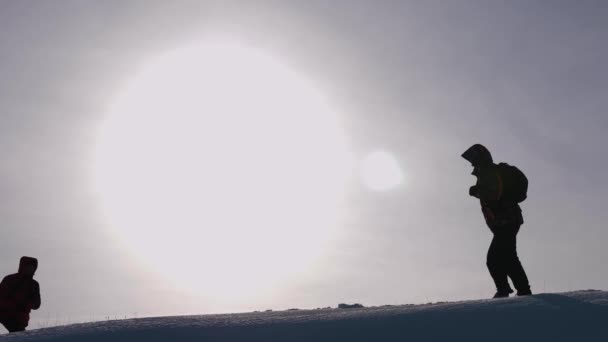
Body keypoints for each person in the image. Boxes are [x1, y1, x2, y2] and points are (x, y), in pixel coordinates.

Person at [462, 144, 532, 298]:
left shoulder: (488, 172)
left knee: (493, 259)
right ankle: (523, 291)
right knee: (508, 257)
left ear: (480, 158)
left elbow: (494, 194)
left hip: (506, 220)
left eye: (473, 160)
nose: (472, 164)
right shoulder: (487, 172)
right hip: (507, 220)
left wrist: (476, 191)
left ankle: (504, 290)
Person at [0, 256, 41, 333]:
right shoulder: (10, 279)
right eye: (28, 267)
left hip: (20, 318)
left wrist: (25, 304)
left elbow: (37, 304)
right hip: (4, 313)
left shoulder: (34, 285)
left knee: (19, 335)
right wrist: (13, 305)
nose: (30, 269)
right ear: (22, 266)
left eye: (32, 267)